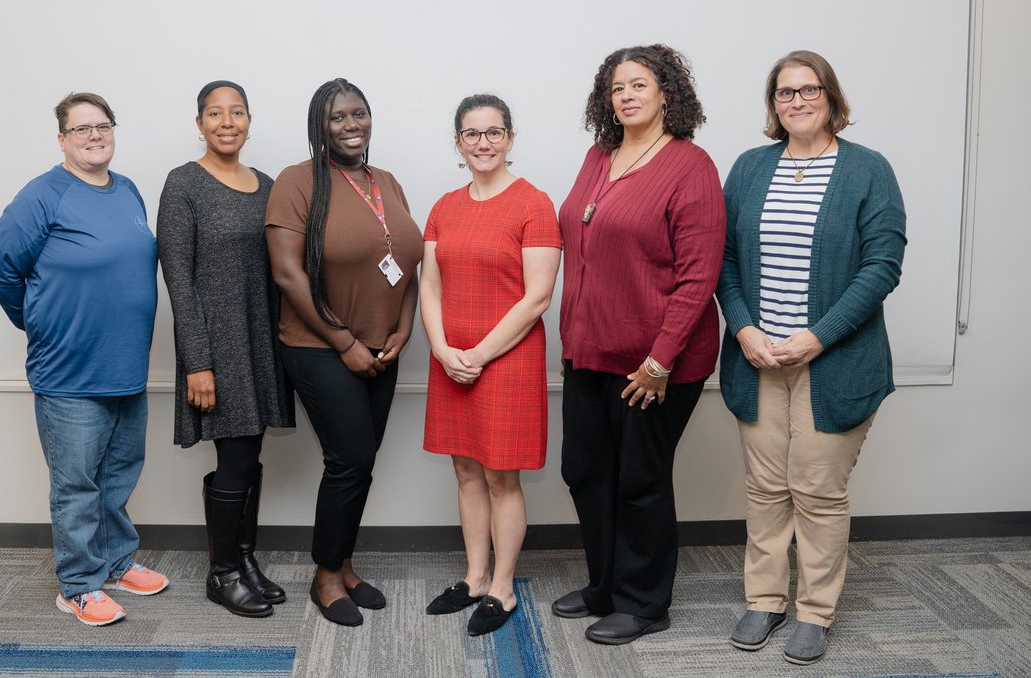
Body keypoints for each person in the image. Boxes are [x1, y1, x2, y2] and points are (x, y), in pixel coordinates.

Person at [717, 50, 906, 665]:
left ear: (830, 97)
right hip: (758, 357)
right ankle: (765, 600)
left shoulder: (867, 170)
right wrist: (744, 328)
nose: (796, 102)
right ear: (773, 105)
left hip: (835, 362)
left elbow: (882, 265)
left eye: (808, 90)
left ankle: (814, 612)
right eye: (784, 93)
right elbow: (723, 259)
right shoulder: (749, 168)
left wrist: (817, 336)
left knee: (817, 488)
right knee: (767, 487)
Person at [554, 45, 725, 645]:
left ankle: (645, 602)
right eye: (617, 87)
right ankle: (605, 586)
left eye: (640, 84)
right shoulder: (599, 156)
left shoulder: (690, 166)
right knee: (585, 470)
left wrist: (659, 359)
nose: (626, 95)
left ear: (666, 93)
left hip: (654, 363)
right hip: (588, 351)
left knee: (639, 481)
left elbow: (699, 275)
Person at [0, 92, 168, 627]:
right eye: (81, 128)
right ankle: (78, 585)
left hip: (126, 365)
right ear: (62, 138)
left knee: (118, 473)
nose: (95, 135)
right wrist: (37, 321)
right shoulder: (44, 196)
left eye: (102, 125)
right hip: (68, 371)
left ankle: (114, 564)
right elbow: (2, 268)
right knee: (76, 484)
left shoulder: (127, 189)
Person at [265, 79, 422, 627]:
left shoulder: (388, 182)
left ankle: (346, 564)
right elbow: (287, 273)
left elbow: (409, 264)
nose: (351, 125)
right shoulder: (297, 181)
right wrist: (345, 342)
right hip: (318, 347)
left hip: (385, 348)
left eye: (360, 114)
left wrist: (404, 328)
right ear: (319, 126)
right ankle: (326, 576)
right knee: (350, 458)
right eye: (337, 118)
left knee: (361, 462)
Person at [420, 94, 562, 636]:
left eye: (494, 132)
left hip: (505, 361)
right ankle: (475, 577)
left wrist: (478, 354)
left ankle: (502, 587)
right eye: (473, 134)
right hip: (450, 357)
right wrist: (440, 347)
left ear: (510, 139)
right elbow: (429, 284)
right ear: (458, 142)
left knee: (502, 477)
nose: (484, 143)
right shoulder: (444, 206)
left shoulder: (534, 204)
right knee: (464, 470)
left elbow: (537, 298)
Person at [157, 81, 295, 619]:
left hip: (260, 339)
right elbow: (178, 279)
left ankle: (243, 559)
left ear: (249, 121)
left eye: (236, 112)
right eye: (215, 113)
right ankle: (222, 574)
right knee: (235, 457)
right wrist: (199, 362)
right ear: (199, 123)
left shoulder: (267, 186)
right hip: (216, 345)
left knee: (249, 456)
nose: (226, 122)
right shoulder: (183, 184)